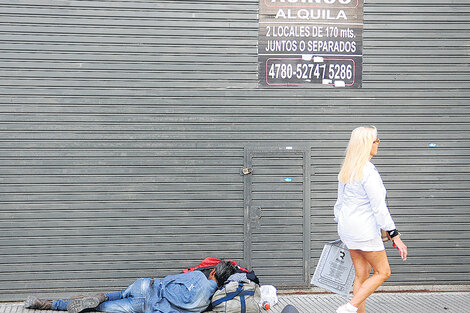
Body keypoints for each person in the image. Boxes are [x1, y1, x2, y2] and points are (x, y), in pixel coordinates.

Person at [333, 126, 408, 313]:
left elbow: (339, 205)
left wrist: (344, 225)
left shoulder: (348, 169)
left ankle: (355, 310)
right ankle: (349, 308)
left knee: (362, 275)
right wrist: (394, 235)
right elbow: (379, 208)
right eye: (377, 141)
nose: (378, 144)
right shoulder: (368, 172)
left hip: (348, 230)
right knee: (383, 272)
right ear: (368, 144)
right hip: (365, 232)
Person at [24, 260, 236, 313]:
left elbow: (171, 278)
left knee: (113, 295)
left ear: (214, 271)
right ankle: (47, 305)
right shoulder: (204, 303)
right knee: (97, 308)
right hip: (146, 306)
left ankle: (102, 295)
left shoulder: (198, 277)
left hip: (146, 286)